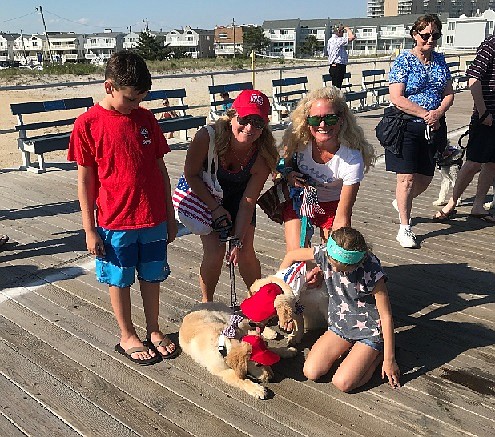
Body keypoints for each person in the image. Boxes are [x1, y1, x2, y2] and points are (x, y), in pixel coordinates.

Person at [68, 51, 178, 365]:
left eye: (141, 99)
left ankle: (154, 329)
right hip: (115, 221)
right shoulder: (88, 124)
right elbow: (85, 180)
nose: (135, 106)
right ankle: (127, 333)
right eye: (130, 99)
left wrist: (170, 217)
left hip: (153, 216)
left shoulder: (146, 118)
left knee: (152, 276)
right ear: (109, 87)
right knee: (120, 279)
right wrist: (89, 228)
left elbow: (160, 170)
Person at [183, 89, 278, 302]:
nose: (250, 128)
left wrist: (238, 239)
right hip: (206, 194)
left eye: (258, 122)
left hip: (241, 199)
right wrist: (215, 208)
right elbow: (191, 174)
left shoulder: (263, 156)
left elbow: (248, 202)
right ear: (232, 115)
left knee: (245, 251)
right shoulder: (207, 137)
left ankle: (257, 301)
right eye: (245, 119)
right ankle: (207, 303)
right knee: (215, 251)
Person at [280, 227, 400, 393]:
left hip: (369, 330)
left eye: (343, 269)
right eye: (333, 265)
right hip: (340, 324)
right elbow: (291, 256)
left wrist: (389, 359)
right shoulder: (326, 253)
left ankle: (376, 356)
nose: (336, 271)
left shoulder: (371, 271)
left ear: (358, 263)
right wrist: (279, 286)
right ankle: (357, 353)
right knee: (311, 371)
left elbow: (386, 316)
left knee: (343, 383)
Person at [387, 14, 454, 248]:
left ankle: (402, 201)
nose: (430, 40)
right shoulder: (404, 60)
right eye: (425, 35)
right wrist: (424, 113)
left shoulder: (440, 61)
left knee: (425, 178)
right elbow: (396, 97)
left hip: (435, 126)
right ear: (415, 35)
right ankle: (405, 228)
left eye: (435, 35)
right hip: (406, 126)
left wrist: (437, 113)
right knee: (405, 179)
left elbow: (449, 93)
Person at [280, 86, 375, 252]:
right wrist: (288, 175)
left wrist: (336, 248)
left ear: (341, 120)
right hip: (300, 201)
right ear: (306, 121)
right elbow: (282, 165)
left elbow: (343, 215)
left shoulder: (351, 159)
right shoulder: (298, 139)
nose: (322, 125)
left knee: (334, 252)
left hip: (333, 206)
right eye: (315, 120)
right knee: (297, 254)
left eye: (330, 119)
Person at [433, 34, 495, 224]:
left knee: (492, 163)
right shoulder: (491, 44)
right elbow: (473, 78)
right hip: (487, 118)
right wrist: (483, 113)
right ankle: (451, 204)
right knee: (473, 163)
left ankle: (477, 205)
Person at [327, 24, 355, 89]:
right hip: (337, 66)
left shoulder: (331, 40)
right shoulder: (336, 40)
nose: (343, 34)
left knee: (337, 87)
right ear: (339, 32)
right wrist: (347, 29)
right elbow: (352, 37)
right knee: (337, 88)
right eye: (343, 32)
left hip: (337, 66)